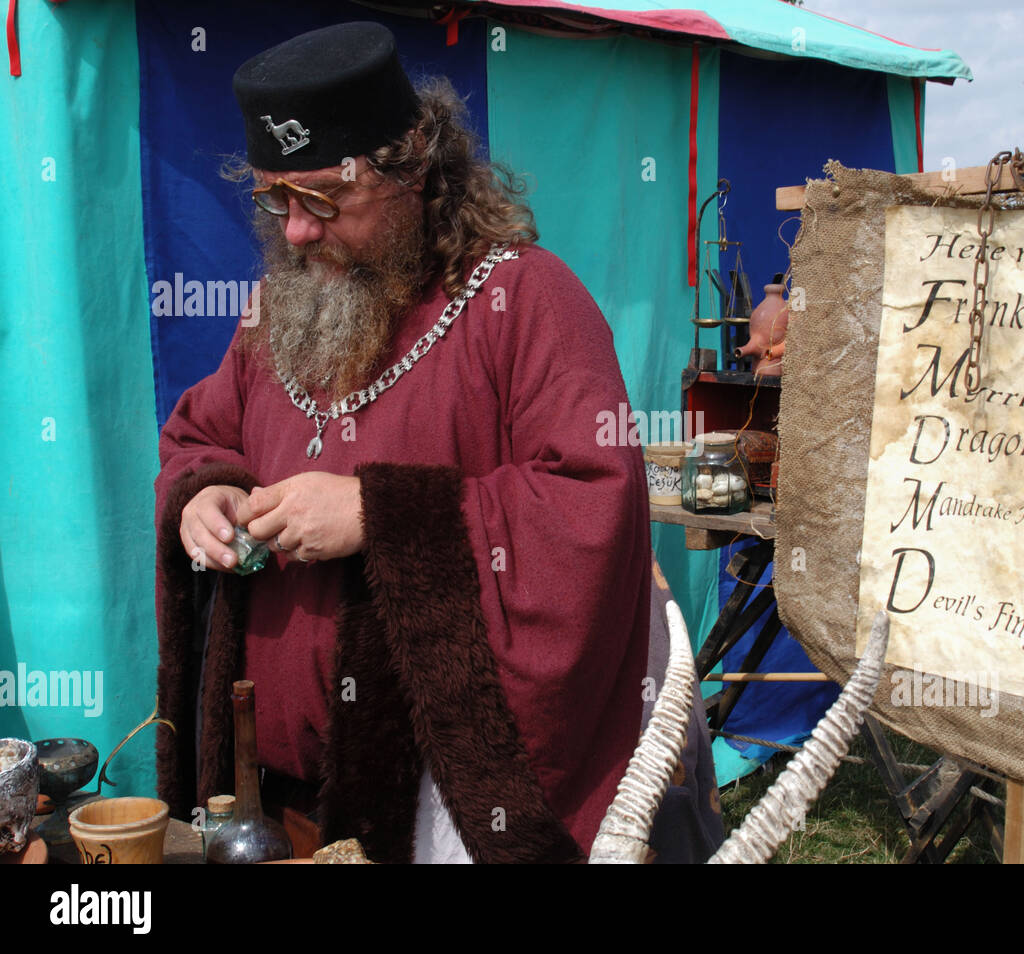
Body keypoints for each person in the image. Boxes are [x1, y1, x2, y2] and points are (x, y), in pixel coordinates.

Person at [153, 21, 660, 863]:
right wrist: (203, 493)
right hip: (264, 800)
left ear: (414, 171)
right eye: (276, 201)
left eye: (323, 199)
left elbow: (592, 497)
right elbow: (201, 432)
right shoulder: (278, 307)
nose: (298, 232)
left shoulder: (526, 300)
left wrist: (378, 513)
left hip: (434, 819)